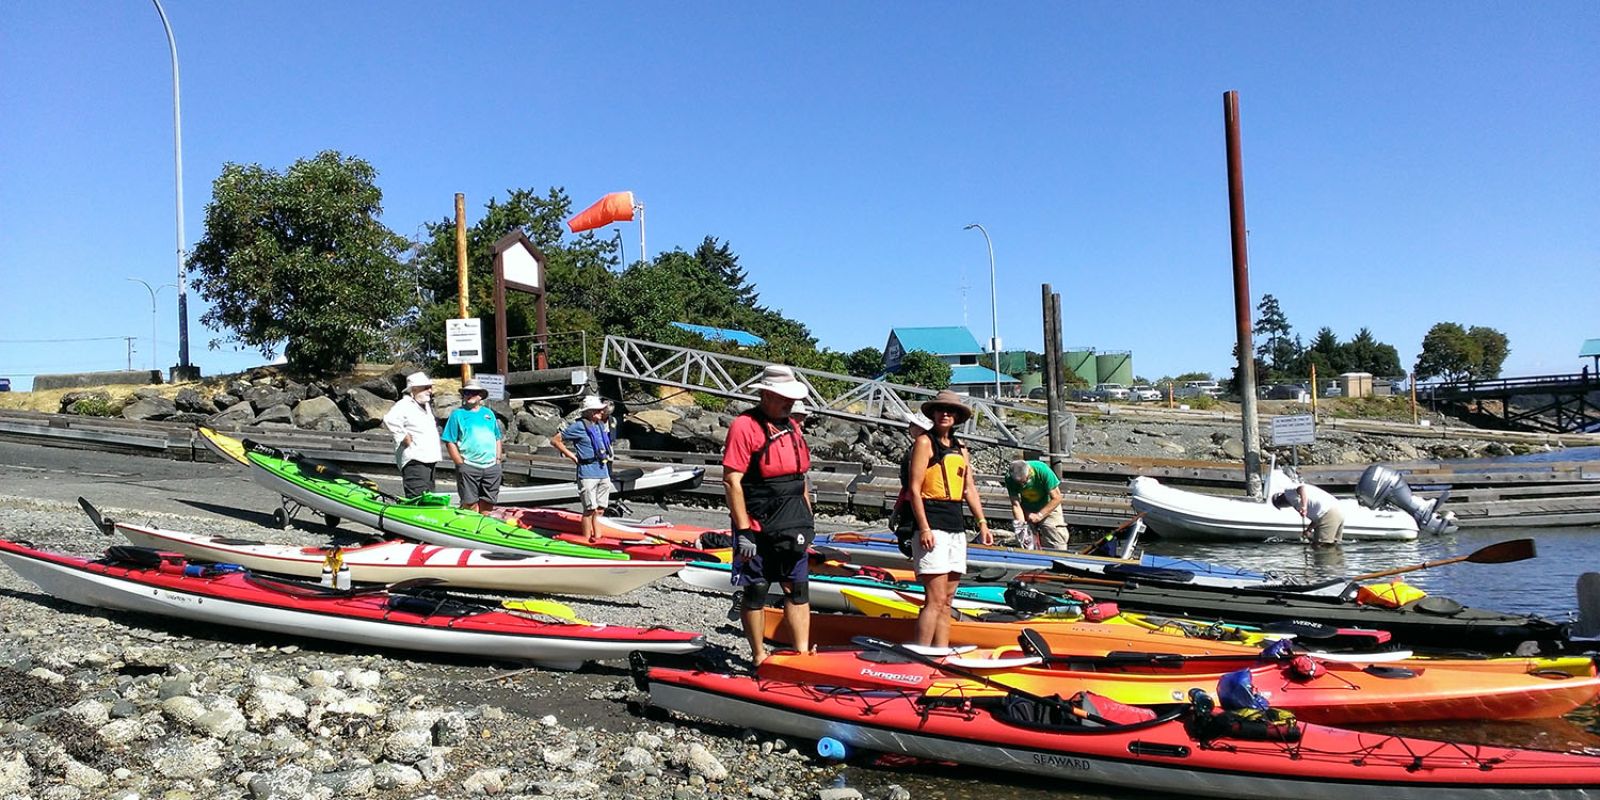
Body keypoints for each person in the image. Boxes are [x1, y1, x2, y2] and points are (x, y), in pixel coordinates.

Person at [722, 364, 814, 665]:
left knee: (797, 588)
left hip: (793, 522)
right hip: (758, 524)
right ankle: (759, 655)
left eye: (791, 398)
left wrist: (808, 520)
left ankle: (801, 653)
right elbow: (732, 480)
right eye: (782, 397)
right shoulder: (744, 426)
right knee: (757, 589)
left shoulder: (793, 426)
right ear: (765, 394)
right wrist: (744, 529)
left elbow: (800, 481)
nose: (789, 403)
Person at [906, 390, 993, 648]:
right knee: (933, 600)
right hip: (932, 523)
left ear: (956, 417)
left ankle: (941, 652)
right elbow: (914, 488)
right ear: (933, 413)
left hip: (956, 526)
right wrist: (923, 528)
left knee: (947, 600)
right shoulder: (924, 442)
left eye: (951, 411)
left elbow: (969, 488)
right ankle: (921, 654)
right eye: (941, 410)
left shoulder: (961, 449)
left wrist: (982, 522)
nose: (946, 414)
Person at [552, 395, 615, 542]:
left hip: (603, 471)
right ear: (590, 412)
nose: (602, 412)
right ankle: (586, 539)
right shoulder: (578, 426)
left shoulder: (599, 425)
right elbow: (555, 440)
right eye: (599, 410)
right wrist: (572, 456)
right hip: (587, 473)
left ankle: (597, 537)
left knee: (600, 508)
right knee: (589, 509)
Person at [441, 380, 503, 513]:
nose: (469, 395)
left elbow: (497, 437)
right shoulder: (457, 414)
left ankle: (484, 528)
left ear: (480, 396)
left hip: (491, 466)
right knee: (469, 504)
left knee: (488, 502)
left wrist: (498, 460)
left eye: (473, 392)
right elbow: (449, 440)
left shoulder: (489, 414)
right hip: (469, 465)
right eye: (466, 392)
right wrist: (460, 463)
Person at [382, 372, 442, 498]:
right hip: (415, 460)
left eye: (430, 387)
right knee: (418, 499)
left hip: (429, 460)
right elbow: (389, 420)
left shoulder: (425, 406)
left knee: (429, 500)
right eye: (425, 387)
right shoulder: (404, 405)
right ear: (414, 389)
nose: (430, 390)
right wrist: (403, 436)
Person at [1004, 459, 1071, 550]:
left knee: (1054, 532)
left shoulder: (1042, 470)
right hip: (1027, 506)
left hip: (1048, 503)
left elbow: (1057, 498)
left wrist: (1040, 515)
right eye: (1019, 483)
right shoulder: (1009, 478)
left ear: (1029, 472)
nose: (1022, 485)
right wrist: (1022, 526)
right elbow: (1016, 505)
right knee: (1024, 538)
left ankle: (1059, 555)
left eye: (1024, 481)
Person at [1273, 483, 1345, 546]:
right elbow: (1318, 517)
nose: (1284, 506)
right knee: (1334, 545)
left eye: (1280, 505)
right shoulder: (1298, 500)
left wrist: (1304, 506)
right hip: (1336, 511)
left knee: (1321, 547)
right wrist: (1309, 530)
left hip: (1329, 514)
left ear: (1280, 500)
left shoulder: (1288, 493)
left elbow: (1301, 488)